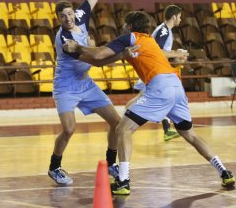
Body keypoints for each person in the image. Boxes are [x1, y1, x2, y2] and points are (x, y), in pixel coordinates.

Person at [63, 11, 235, 195]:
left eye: (124, 24)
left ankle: (123, 181)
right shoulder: (149, 41)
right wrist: (80, 54)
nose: (122, 27)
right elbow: (100, 62)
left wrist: (78, 47)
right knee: (189, 134)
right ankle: (225, 173)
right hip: (176, 86)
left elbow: (99, 54)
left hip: (160, 86)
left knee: (122, 129)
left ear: (129, 26)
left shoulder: (129, 37)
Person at [48, 0, 121, 186]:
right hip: (66, 86)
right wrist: (121, 54)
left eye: (69, 13)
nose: (68, 18)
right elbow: (96, 60)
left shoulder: (80, 15)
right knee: (69, 129)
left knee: (117, 123)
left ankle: (111, 163)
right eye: (63, 17)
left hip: (85, 83)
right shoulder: (65, 40)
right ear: (58, 19)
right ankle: (54, 167)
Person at [125, 5, 189, 141]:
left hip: (156, 72)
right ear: (174, 17)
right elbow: (157, 51)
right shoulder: (164, 31)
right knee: (148, 99)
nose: (181, 19)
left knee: (154, 99)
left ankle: (167, 130)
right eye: (180, 17)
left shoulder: (165, 31)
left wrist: (175, 56)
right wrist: (176, 53)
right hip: (153, 73)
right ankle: (125, 121)